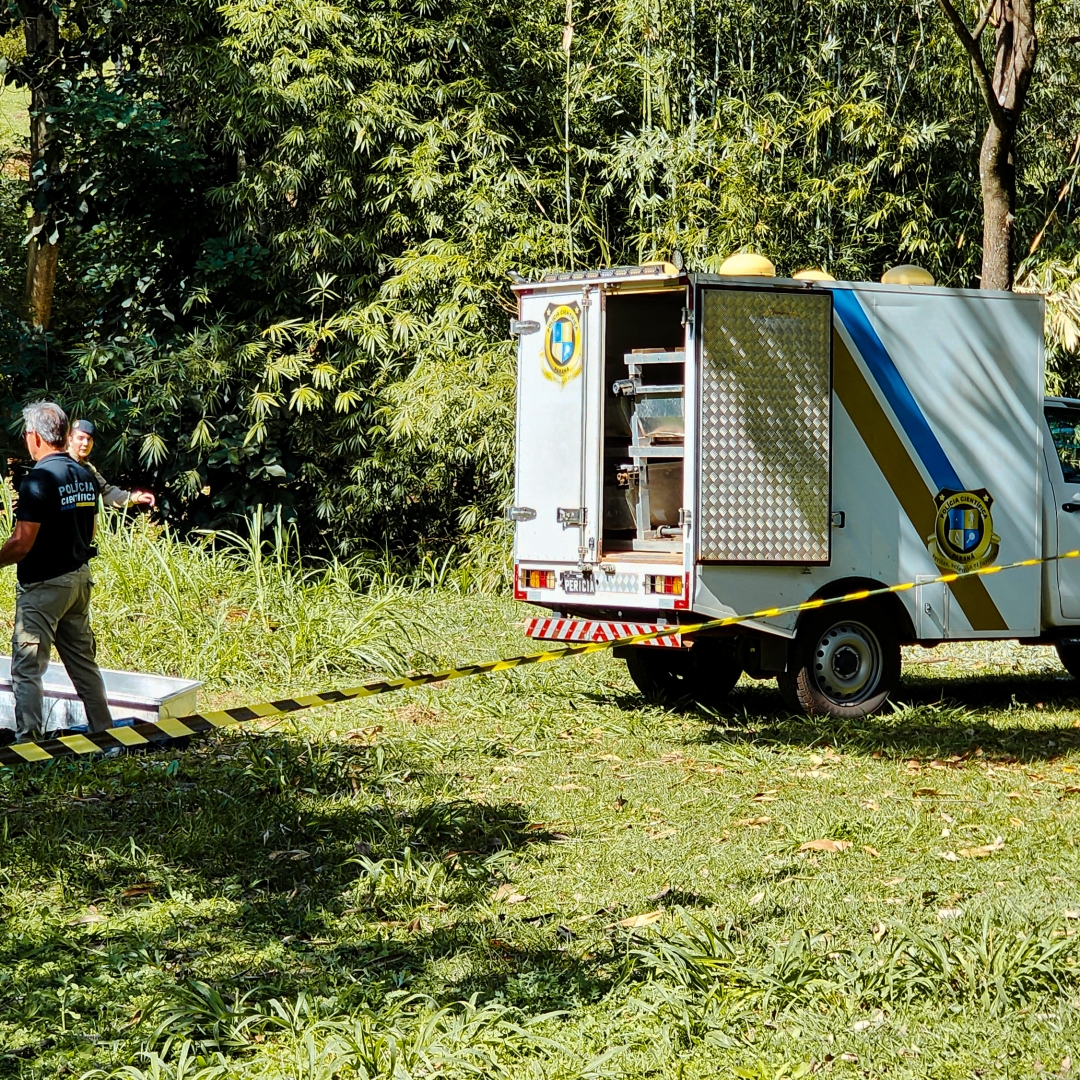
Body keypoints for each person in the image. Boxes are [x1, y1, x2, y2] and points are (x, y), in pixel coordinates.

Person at [0, 402, 113, 745]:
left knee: (28, 666)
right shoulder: (83, 474)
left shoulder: (38, 480)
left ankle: (29, 744)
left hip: (45, 586)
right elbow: (90, 531)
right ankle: (105, 735)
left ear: (34, 436)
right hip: (79, 579)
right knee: (83, 664)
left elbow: (21, 543)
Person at [67, 419, 155, 508]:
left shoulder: (88, 468)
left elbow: (106, 492)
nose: (85, 443)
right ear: (70, 440)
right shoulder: (61, 465)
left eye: (89, 439)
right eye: (80, 438)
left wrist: (133, 498)